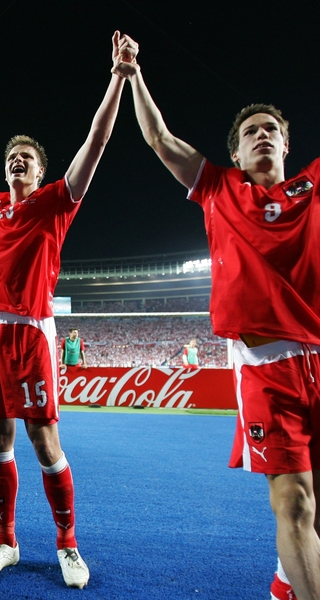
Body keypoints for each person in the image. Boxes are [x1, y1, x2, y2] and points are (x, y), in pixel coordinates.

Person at [113, 33, 320, 600]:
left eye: (271, 129)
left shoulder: (315, 187)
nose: (262, 135)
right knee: (294, 502)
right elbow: (158, 137)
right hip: (266, 366)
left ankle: (286, 581)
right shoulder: (218, 189)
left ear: (286, 144)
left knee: (316, 509)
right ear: (236, 153)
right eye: (250, 130)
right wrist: (132, 75)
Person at [0, 33, 130, 586]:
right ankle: (6, 542)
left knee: (43, 439)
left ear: (41, 168)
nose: (16, 160)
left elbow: (95, 143)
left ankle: (68, 545)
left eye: (25, 156)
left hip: (30, 334)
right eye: (9, 157)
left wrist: (117, 78)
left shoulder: (56, 202)